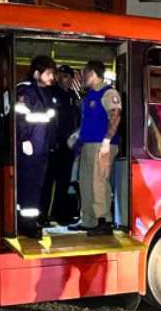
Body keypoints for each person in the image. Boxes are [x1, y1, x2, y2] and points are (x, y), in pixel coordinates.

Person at [73, 60, 121, 237]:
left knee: (98, 182)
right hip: (87, 144)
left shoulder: (108, 92)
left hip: (101, 145)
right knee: (85, 182)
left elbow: (116, 116)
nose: (83, 77)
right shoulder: (90, 95)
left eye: (85, 73)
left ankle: (104, 221)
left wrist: (107, 140)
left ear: (93, 74)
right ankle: (89, 220)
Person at [15, 55, 59, 239]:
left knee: (36, 186)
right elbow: (20, 117)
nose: (52, 77)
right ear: (36, 73)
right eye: (48, 73)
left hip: (41, 146)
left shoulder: (45, 93)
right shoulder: (26, 92)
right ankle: (27, 224)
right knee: (30, 186)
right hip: (31, 147)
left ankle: (29, 220)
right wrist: (25, 139)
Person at [42, 64, 82, 226]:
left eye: (65, 76)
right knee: (47, 181)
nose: (61, 78)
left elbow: (78, 119)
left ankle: (61, 215)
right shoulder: (51, 93)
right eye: (59, 75)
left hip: (69, 145)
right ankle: (43, 215)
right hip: (53, 143)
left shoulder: (74, 97)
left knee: (64, 182)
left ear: (71, 79)